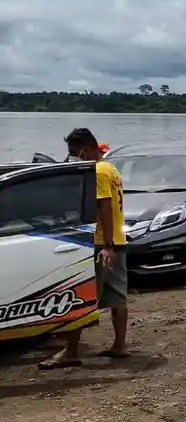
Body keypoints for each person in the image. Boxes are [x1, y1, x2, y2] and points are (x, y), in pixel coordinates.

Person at [40, 128, 130, 369]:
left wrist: (106, 245)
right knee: (118, 297)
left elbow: (104, 208)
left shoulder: (97, 171)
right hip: (118, 240)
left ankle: (70, 351)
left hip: (102, 242)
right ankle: (119, 345)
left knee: (82, 296)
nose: (73, 157)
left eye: (74, 152)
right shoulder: (110, 168)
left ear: (85, 149)